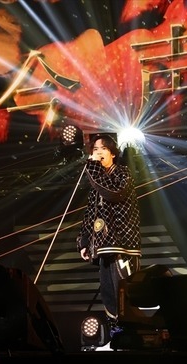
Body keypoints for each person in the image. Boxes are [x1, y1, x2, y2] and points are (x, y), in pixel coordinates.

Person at [76, 134, 141, 337]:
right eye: (95, 150)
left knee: (123, 289)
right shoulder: (96, 185)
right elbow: (90, 215)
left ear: (113, 153)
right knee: (107, 292)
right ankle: (116, 330)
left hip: (122, 244)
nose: (98, 153)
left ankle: (131, 330)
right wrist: (84, 242)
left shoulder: (123, 173)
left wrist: (93, 167)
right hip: (103, 245)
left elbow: (113, 192)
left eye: (103, 149)